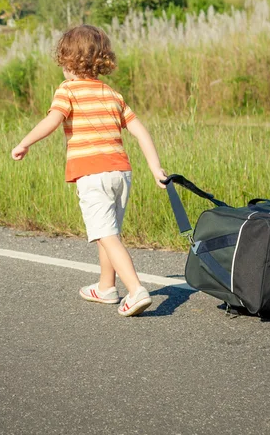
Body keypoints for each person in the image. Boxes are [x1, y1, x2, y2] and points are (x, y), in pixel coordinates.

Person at [11, 24, 167, 317]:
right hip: (121, 173)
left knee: (106, 234)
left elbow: (53, 121)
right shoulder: (112, 94)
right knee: (109, 229)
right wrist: (156, 167)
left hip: (92, 174)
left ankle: (136, 290)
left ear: (67, 61)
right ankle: (106, 287)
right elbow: (140, 131)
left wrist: (25, 142)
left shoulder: (67, 90)